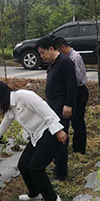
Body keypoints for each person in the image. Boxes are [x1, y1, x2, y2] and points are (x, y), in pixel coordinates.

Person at [0, 80, 67, 201]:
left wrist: (57, 129)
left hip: (49, 133)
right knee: (23, 165)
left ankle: (53, 200)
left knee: (36, 167)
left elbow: (45, 109)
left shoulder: (24, 96)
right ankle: (35, 193)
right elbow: (2, 127)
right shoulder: (10, 107)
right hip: (36, 136)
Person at [36, 36, 77, 181]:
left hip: (62, 106)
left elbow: (72, 85)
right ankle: (57, 165)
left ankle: (61, 174)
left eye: (42, 53)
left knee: (61, 138)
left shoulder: (65, 62)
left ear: (51, 49)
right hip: (53, 105)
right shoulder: (53, 63)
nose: (42, 56)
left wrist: (68, 104)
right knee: (54, 135)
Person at [54, 37, 89, 155]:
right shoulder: (67, 58)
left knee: (77, 120)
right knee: (71, 119)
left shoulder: (74, 58)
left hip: (79, 91)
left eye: (58, 50)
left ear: (63, 47)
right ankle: (74, 146)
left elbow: (77, 79)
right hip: (72, 91)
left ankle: (80, 149)